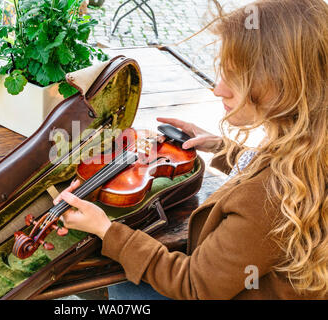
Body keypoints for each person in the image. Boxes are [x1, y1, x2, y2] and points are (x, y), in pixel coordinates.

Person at [53, 0, 327, 299]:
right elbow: (272, 167)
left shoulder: (265, 197)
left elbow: (196, 286)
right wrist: (224, 149)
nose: (218, 88)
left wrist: (107, 231)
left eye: (235, 78)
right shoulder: (312, 147)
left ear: (283, 87)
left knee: (122, 281)